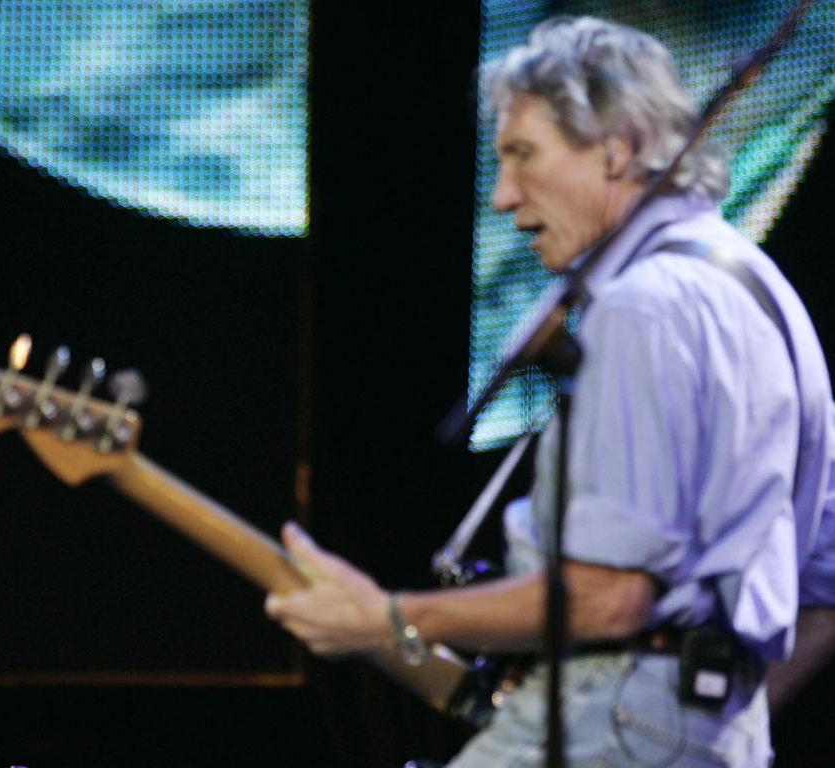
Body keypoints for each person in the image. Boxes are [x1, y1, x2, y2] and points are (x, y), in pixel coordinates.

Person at [265, 16, 834, 767]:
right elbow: (824, 590)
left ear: (615, 150)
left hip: (603, 716)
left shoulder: (642, 306)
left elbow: (609, 597)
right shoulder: (764, 293)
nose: (503, 196)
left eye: (523, 155)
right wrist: (706, 723)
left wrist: (391, 618)